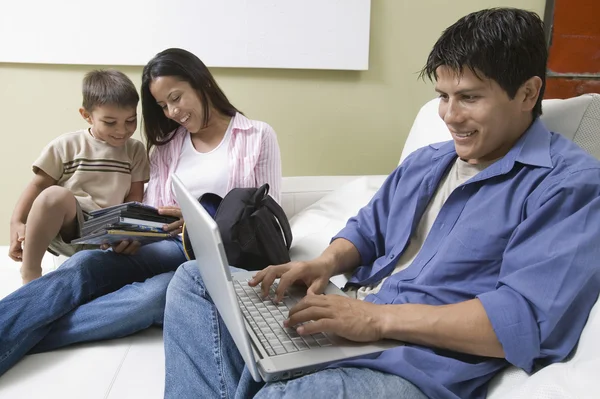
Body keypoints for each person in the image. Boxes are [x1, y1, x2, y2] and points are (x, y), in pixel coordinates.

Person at [162, 8, 600, 399]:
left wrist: (376, 320)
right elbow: (367, 229)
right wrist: (323, 265)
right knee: (193, 277)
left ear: (527, 94)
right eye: (442, 96)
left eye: (469, 97)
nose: (448, 115)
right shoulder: (428, 161)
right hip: (351, 318)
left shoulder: (568, 185)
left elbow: (525, 322)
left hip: (415, 362)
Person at [0, 48, 282, 377]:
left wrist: (196, 220)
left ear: (201, 82)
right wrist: (136, 234)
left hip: (221, 258)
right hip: (170, 242)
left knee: (149, 297)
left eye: (176, 98)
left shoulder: (257, 135)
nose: (173, 112)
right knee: (85, 264)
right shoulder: (167, 144)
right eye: (163, 105)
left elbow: (267, 214)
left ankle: (23, 335)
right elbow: (153, 208)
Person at [8, 69, 149, 284]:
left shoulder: (135, 151)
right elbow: (37, 187)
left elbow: (135, 197)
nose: (122, 130)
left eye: (130, 120)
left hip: (108, 229)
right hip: (69, 225)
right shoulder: (66, 146)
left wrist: (125, 232)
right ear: (86, 115)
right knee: (54, 194)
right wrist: (17, 221)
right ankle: (30, 272)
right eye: (110, 122)